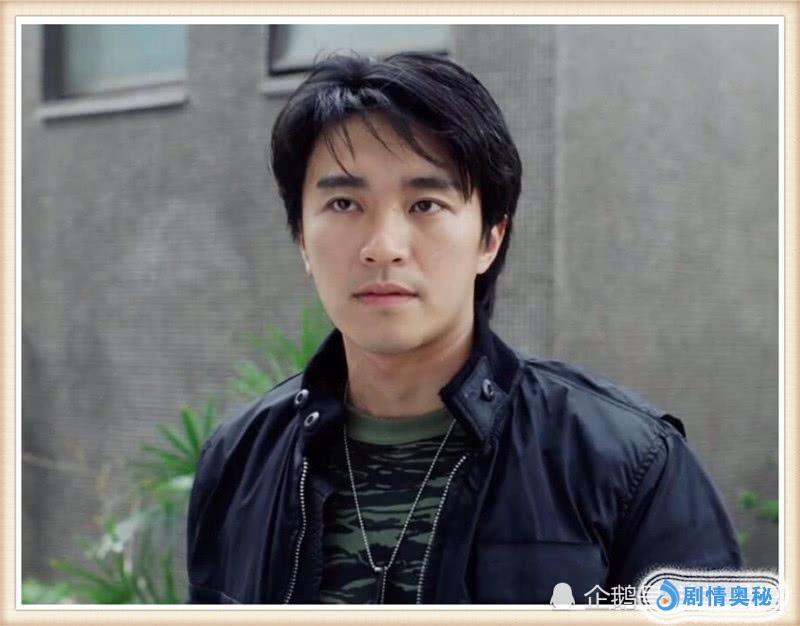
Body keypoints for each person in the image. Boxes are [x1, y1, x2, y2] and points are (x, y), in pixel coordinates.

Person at [186, 51, 742, 605]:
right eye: (345, 203)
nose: (383, 247)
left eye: (425, 204)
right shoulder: (238, 462)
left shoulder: (629, 463)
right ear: (302, 239)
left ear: (490, 238)